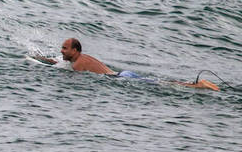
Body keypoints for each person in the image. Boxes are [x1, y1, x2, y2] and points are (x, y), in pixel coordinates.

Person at [33, 37, 219, 90]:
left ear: (75, 50)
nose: (61, 50)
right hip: (123, 74)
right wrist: (41, 58)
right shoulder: (81, 58)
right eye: (62, 47)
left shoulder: (78, 64)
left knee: (163, 84)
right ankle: (195, 85)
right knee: (160, 82)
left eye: (65, 48)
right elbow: (58, 62)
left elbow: (70, 73)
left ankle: (197, 85)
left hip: (120, 79)